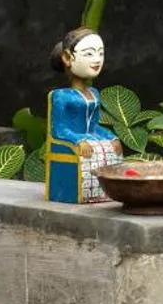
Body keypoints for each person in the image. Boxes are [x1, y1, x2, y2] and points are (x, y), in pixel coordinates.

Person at [45, 28, 122, 204]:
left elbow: (94, 126)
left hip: (91, 140)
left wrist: (112, 137)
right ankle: (83, 191)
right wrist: (78, 140)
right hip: (70, 143)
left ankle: (107, 191)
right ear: (67, 57)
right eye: (89, 54)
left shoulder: (94, 93)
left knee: (111, 148)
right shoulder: (61, 96)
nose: (97, 59)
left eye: (100, 53)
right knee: (90, 151)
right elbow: (59, 130)